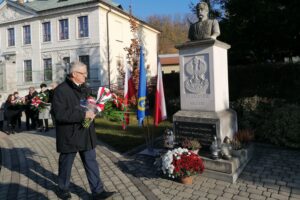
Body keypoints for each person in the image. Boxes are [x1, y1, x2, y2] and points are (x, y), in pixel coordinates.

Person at [52, 61, 116, 200]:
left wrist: (94, 111)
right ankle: (62, 188)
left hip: (86, 133)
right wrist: (83, 115)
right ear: (74, 74)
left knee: (91, 162)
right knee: (66, 164)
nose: (86, 76)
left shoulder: (85, 88)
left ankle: (97, 191)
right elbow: (59, 115)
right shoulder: (61, 90)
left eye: (86, 73)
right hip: (70, 135)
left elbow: (90, 105)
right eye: (83, 73)